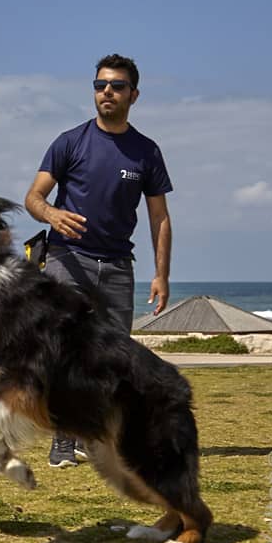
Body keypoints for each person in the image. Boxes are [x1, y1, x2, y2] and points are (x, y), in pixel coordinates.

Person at [25, 53, 173, 467]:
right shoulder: (70, 141)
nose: (107, 91)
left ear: (134, 94)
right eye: (100, 85)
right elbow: (33, 197)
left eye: (117, 86)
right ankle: (61, 440)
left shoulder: (146, 151)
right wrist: (52, 213)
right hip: (66, 259)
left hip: (117, 267)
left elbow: (159, 218)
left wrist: (161, 275)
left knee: (112, 359)